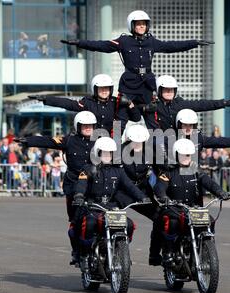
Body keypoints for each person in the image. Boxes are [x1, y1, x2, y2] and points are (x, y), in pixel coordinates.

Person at [61, 10, 214, 104]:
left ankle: (159, 151)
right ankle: (115, 147)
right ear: (131, 26)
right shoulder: (123, 41)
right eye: (138, 24)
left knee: (153, 115)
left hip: (147, 82)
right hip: (129, 82)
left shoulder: (151, 41)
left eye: (144, 24)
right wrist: (79, 43)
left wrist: (194, 43)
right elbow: (102, 45)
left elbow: (171, 46)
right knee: (121, 114)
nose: (141, 26)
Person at [14, 111, 98, 265]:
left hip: (96, 185)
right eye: (84, 125)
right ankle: (76, 251)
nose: (88, 128)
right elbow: (49, 141)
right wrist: (28, 141)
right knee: (75, 221)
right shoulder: (69, 140)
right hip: (74, 186)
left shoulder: (101, 141)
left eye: (90, 125)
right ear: (78, 126)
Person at [150, 139, 230, 266]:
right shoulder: (169, 171)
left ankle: (207, 247)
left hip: (194, 210)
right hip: (174, 208)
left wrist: (220, 192)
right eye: (183, 154)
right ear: (176, 154)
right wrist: (163, 196)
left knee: (209, 220)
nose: (186, 157)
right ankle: (169, 252)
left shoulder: (195, 170)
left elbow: (208, 182)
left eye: (188, 154)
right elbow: (159, 186)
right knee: (171, 222)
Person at [71, 137, 148, 264]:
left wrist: (142, 197)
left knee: (128, 224)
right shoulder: (88, 169)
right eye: (104, 153)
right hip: (93, 206)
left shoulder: (118, 171)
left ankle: (120, 250)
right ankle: (85, 254)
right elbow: (81, 184)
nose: (107, 156)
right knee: (89, 223)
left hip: (111, 208)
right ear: (97, 153)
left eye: (110, 153)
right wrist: (79, 195)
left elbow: (130, 186)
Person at [28, 74, 141, 134]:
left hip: (112, 143)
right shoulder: (88, 102)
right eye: (101, 88)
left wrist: (130, 104)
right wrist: (46, 99)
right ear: (95, 89)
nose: (104, 91)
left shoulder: (116, 103)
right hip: (91, 142)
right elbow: (68, 103)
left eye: (107, 88)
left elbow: (136, 118)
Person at [138, 75, 230, 131]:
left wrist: (222, 103)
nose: (169, 92)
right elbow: (134, 108)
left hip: (179, 143)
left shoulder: (179, 104)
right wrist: (144, 108)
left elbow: (201, 105)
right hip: (158, 146)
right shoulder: (153, 106)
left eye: (172, 90)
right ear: (159, 90)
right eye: (166, 89)